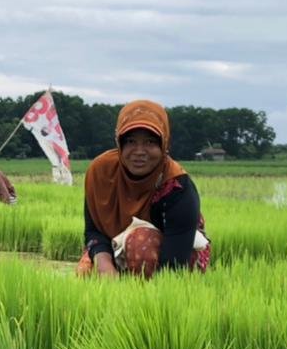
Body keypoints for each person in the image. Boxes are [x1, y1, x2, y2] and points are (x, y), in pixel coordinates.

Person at [78, 100, 211, 278]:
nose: (139, 151)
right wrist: (104, 264)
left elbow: (173, 265)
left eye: (149, 142)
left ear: (164, 145)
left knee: (142, 245)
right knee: (87, 272)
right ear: (119, 143)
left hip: (175, 251)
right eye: (131, 141)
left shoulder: (177, 186)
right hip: (116, 246)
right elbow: (93, 230)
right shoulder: (101, 172)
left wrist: (146, 301)